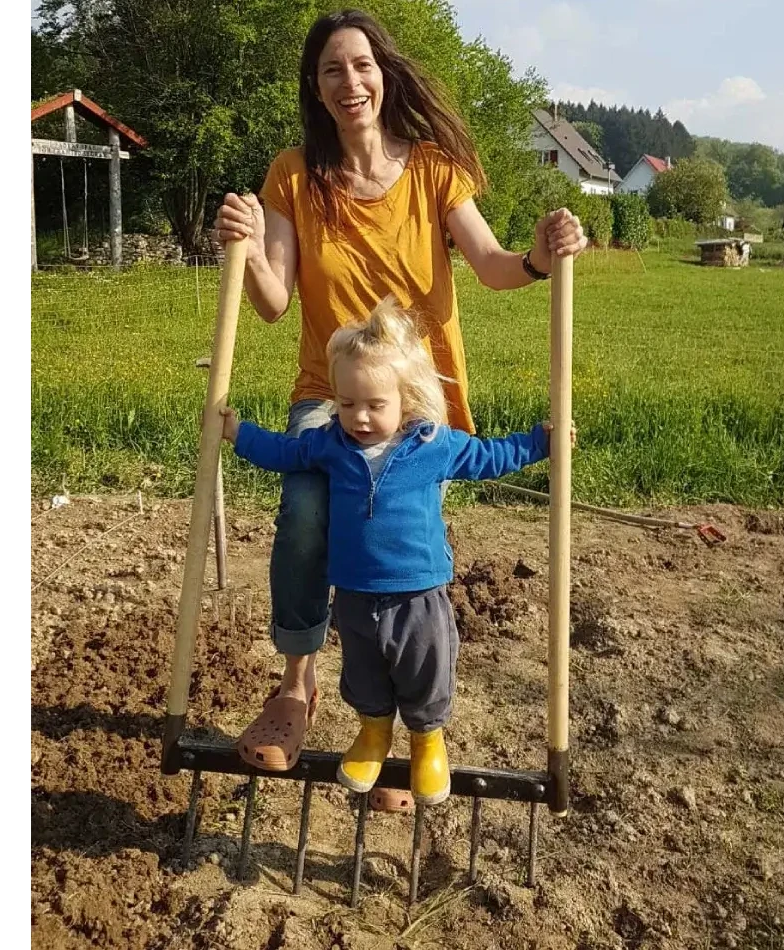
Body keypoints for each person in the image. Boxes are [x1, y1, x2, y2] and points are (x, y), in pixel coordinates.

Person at [212, 7, 586, 810]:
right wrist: (240, 246)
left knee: (397, 554)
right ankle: (298, 686)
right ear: (315, 88)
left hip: (417, 400)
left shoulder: (435, 170)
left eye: (361, 65)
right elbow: (274, 302)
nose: (349, 82)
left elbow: (491, 265)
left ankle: (407, 730)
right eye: (331, 70)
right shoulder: (294, 174)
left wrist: (536, 257)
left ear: (383, 74)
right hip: (329, 395)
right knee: (308, 512)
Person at [220, 299, 572, 804]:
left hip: (418, 593)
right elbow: (285, 452)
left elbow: (489, 456)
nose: (358, 418)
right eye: (346, 404)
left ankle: (427, 743)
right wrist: (238, 434)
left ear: (405, 400)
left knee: (425, 671)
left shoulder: (433, 445)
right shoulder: (330, 444)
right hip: (354, 592)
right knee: (363, 673)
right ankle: (373, 735)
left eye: (374, 405)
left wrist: (540, 443)